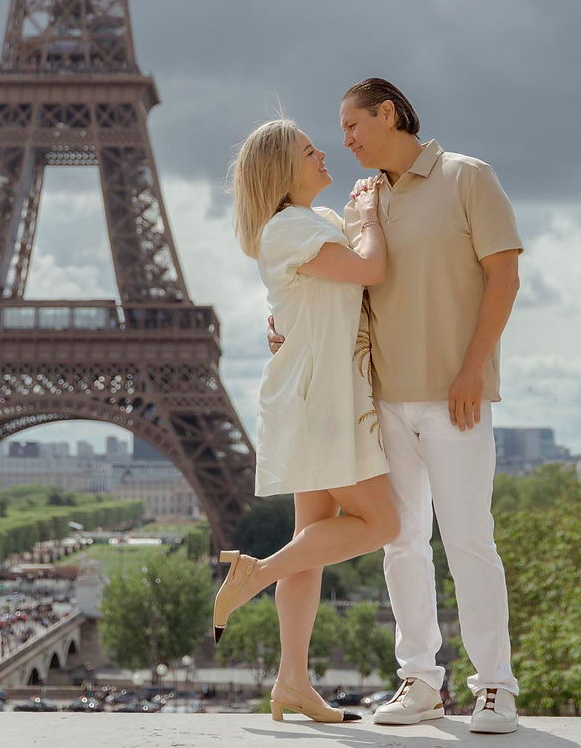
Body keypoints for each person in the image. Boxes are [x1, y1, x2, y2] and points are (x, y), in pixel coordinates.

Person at [269, 79, 523, 734]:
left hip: (454, 396)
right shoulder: (361, 202)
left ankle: (493, 686)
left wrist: (473, 370)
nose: (345, 140)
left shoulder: (468, 178)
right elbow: (339, 292)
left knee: (469, 540)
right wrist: (288, 328)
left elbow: (505, 275)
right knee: (401, 543)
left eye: (353, 125)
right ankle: (420, 682)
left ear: (388, 114)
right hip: (378, 398)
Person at [222, 117, 399, 725]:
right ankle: (255, 575)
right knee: (382, 522)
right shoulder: (290, 228)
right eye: (309, 149)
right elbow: (371, 270)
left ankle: (291, 682)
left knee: (311, 545)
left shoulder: (311, 224)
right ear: (282, 170)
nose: (323, 151)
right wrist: (372, 217)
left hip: (316, 396)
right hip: (321, 403)